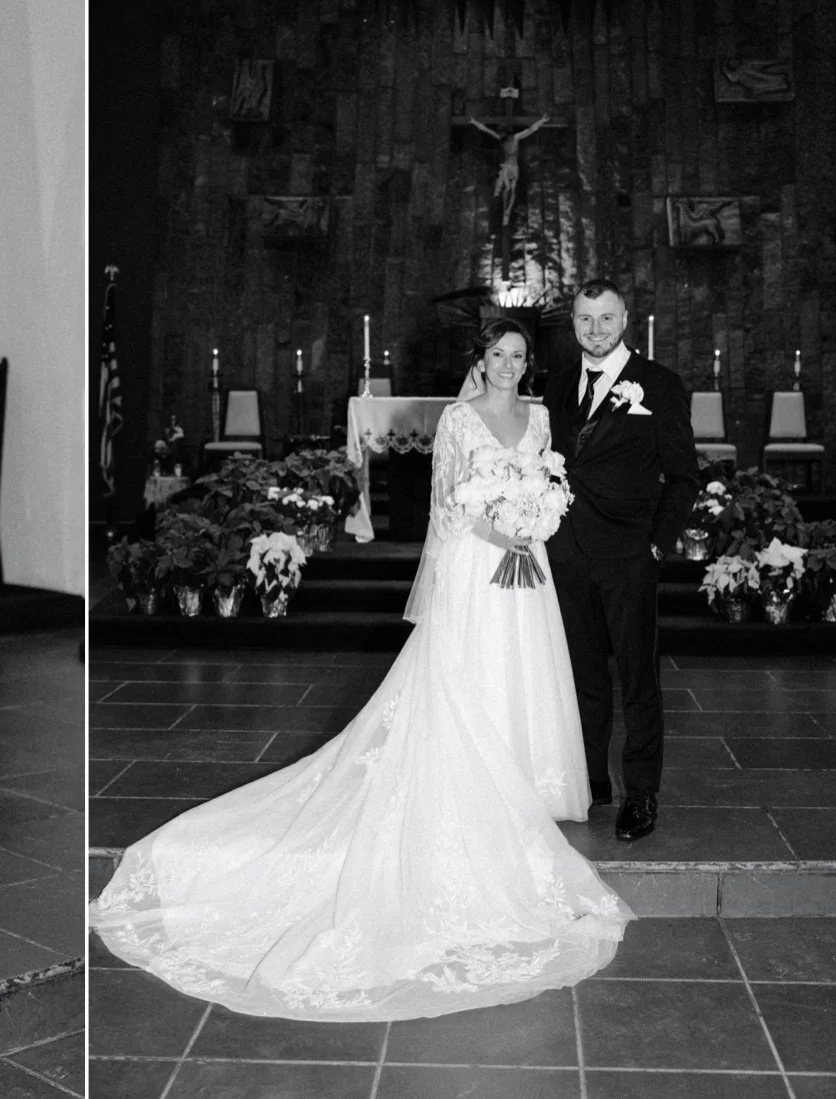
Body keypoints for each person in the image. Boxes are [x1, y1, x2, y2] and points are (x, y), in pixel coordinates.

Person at [91, 319, 632, 1023]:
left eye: (518, 356)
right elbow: (447, 506)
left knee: (526, 673)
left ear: (530, 364)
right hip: (476, 566)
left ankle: (522, 786)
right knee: (468, 678)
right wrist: (494, 534)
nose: (507, 365)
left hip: (527, 570)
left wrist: (534, 519)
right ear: (482, 360)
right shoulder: (459, 421)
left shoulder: (540, 416)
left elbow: (549, 482)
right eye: (496, 355)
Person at [543, 278, 698, 842]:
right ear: (573, 324)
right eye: (585, 319)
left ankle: (642, 793)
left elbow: (684, 477)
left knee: (637, 678)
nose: (595, 330)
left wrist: (656, 544)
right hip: (566, 552)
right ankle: (590, 782)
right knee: (582, 676)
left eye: (606, 318)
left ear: (625, 318)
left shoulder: (658, 385)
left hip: (630, 553)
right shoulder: (557, 385)